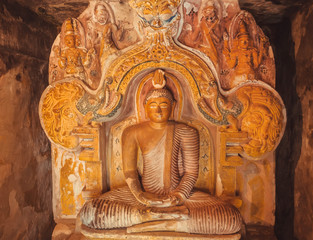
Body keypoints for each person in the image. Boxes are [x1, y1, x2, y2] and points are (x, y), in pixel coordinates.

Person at [80, 71, 242, 234]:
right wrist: (140, 195)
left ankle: (156, 221)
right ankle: (150, 217)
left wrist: (178, 196)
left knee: (231, 219)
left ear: (173, 106)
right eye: (153, 105)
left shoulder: (187, 132)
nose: (158, 110)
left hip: (180, 197)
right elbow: (130, 171)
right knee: (90, 213)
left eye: (164, 105)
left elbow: (191, 172)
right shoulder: (132, 132)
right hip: (141, 196)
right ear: (145, 107)